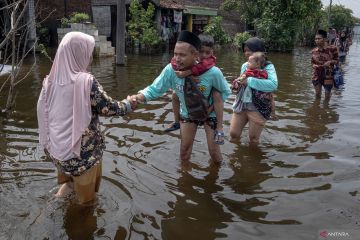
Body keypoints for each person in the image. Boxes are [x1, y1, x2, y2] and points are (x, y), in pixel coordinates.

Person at [37, 32, 136, 204]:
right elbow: (109, 108)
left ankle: (49, 208)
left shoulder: (49, 81)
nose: (90, 58)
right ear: (78, 53)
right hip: (82, 157)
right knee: (87, 203)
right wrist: (128, 104)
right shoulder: (86, 82)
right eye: (88, 52)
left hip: (59, 153)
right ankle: (82, 226)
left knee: (69, 185)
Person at [131, 30, 231, 163]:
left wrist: (212, 107)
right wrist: (138, 97)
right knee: (184, 152)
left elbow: (226, 92)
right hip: (188, 113)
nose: (177, 59)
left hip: (210, 114)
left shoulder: (213, 72)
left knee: (214, 153)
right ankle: (184, 180)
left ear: (195, 55)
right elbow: (155, 88)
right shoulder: (171, 69)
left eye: (182, 55)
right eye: (175, 54)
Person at [166, 34, 226, 144]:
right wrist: (187, 74)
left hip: (209, 108)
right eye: (201, 52)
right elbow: (175, 63)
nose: (204, 56)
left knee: (217, 94)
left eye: (208, 53)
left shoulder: (210, 65)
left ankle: (220, 127)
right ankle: (176, 121)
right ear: (195, 52)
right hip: (192, 107)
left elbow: (226, 92)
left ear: (212, 52)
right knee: (175, 93)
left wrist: (187, 73)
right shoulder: (189, 60)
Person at [229, 37, 278, 145]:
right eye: (245, 50)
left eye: (249, 50)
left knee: (253, 139)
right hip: (242, 103)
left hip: (258, 106)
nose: (246, 53)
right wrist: (236, 85)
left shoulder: (268, 67)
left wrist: (249, 80)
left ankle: (253, 160)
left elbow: (273, 85)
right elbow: (242, 80)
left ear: (258, 51)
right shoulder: (245, 65)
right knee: (234, 134)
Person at [231, 52, 276, 119]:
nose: (247, 63)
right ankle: (273, 113)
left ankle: (273, 113)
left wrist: (236, 82)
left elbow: (241, 79)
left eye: (249, 62)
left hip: (255, 99)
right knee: (271, 98)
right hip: (258, 97)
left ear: (257, 64)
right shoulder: (262, 72)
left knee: (271, 98)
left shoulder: (250, 72)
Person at [311, 29, 339, 101]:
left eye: (319, 39)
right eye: (316, 39)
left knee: (327, 96)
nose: (317, 40)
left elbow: (337, 61)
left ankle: (325, 109)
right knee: (317, 94)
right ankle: (317, 109)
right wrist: (314, 65)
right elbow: (312, 63)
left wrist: (330, 62)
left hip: (328, 75)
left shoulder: (333, 49)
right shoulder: (313, 51)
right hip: (316, 75)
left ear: (324, 39)